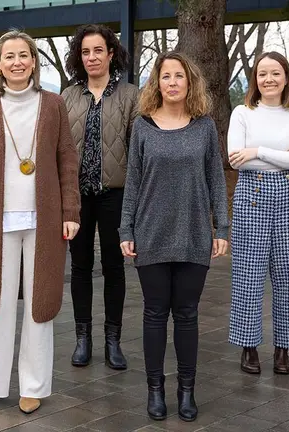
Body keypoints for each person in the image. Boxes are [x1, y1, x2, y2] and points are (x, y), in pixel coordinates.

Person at [0, 29, 80, 415]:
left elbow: (66, 158)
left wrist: (70, 212)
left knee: (39, 302)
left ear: (34, 61)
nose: (17, 62)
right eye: (8, 56)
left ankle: (33, 385)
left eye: (23, 55)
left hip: (44, 222)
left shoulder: (52, 105)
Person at [118, 51, 229, 422]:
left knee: (186, 314)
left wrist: (222, 228)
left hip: (195, 233)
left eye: (179, 76)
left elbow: (216, 178)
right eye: (165, 76)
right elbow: (132, 182)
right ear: (157, 83)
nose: (172, 82)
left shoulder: (205, 127)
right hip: (150, 234)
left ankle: (186, 391)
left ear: (189, 81)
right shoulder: (143, 127)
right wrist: (126, 229)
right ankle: (155, 390)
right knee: (153, 314)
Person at [227, 51, 289, 376]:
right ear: (255, 79)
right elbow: (236, 159)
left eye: (275, 73)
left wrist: (259, 151)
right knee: (249, 275)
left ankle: (283, 349)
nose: (269, 79)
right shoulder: (243, 112)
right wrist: (283, 154)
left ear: (286, 77)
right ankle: (249, 347)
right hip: (251, 197)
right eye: (262, 73)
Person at [61, 23, 139, 370]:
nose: (92, 57)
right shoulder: (67, 97)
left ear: (111, 54)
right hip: (76, 196)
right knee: (79, 266)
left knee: (113, 268)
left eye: (98, 50)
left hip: (115, 195)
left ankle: (113, 340)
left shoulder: (131, 96)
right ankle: (83, 338)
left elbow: (137, 152)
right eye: (85, 52)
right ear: (80, 58)